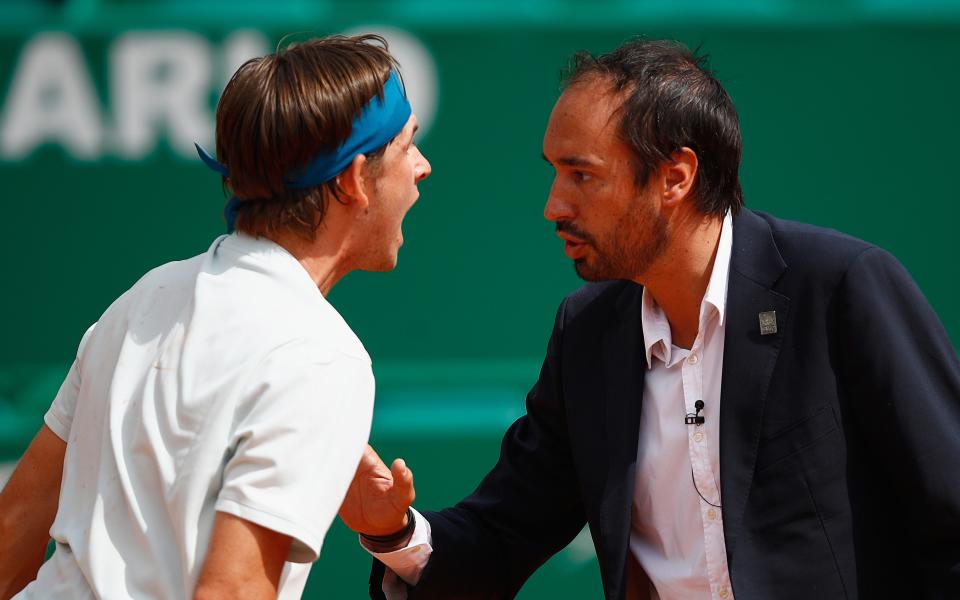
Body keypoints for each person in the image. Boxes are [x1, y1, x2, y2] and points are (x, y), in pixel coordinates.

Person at [338, 39, 960, 599]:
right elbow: (502, 533)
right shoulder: (587, 335)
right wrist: (395, 531)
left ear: (675, 177)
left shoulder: (842, 288)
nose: (554, 206)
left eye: (583, 175)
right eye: (554, 173)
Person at [0, 34, 431, 600]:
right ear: (353, 180)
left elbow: (12, 531)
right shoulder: (322, 357)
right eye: (406, 147)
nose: (422, 168)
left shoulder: (144, 297)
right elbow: (232, 589)